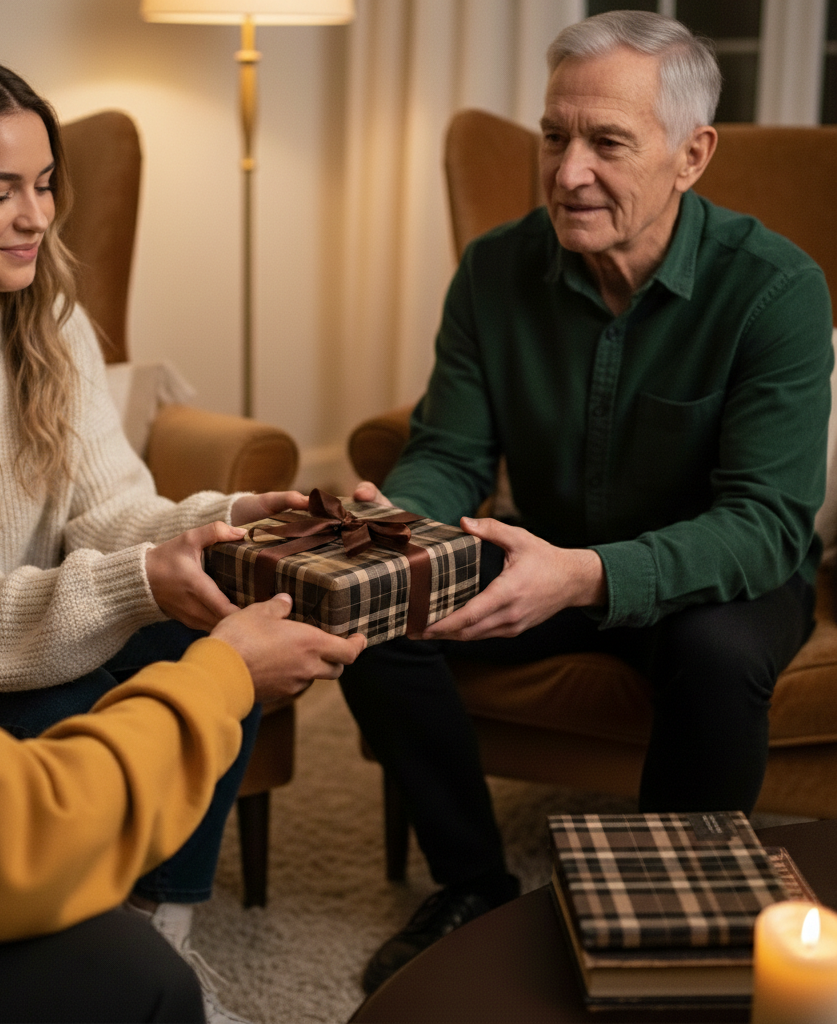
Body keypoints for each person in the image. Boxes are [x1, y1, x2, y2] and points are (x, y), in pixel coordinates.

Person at [0, 94, 366, 1021]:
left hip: (31, 635)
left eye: (44, 185)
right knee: (190, 667)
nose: (37, 217)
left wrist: (232, 523)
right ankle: (98, 925)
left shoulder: (49, 318)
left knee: (210, 622)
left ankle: (161, 924)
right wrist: (144, 583)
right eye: (0, 194)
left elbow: (112, 508)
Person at [342, 9, 834, 995]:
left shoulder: (775, 289)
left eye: (606, 142)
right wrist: (395, 527)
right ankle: (473, 882)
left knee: (715, 655)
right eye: (554, 136)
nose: (567, 172)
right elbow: (449, 451)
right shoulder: (493, 269)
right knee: (372, 611)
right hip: (540, 552)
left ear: (690, 155)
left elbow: (763, 523)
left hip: (715, 577)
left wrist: (592, 576)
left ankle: (663, 908)